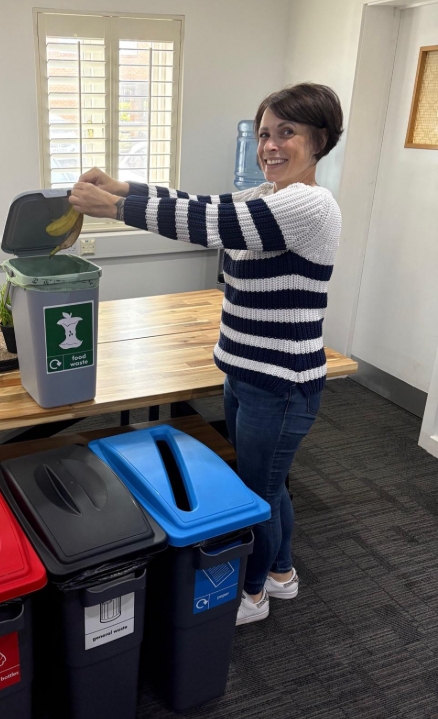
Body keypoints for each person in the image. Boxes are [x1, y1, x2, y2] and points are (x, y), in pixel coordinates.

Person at [69, 82, 343, 626]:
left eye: (286, 133)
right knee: (268, 482)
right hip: (246, 372)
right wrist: (124, 186)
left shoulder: (309, 205)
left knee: (257, 490)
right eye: (265, 133)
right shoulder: (267, 197)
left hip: (281, 384)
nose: (270, 145)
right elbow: (200, 204)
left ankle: (254, 592)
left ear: (320, 140)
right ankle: (282, 573)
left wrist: (116, 207)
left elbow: (209, 226)